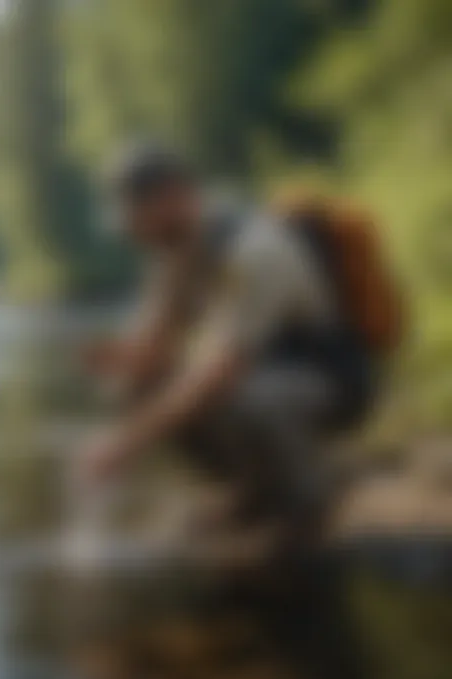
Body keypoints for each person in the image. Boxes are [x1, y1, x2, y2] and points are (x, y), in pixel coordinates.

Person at [72, 142, 397, 554]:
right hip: (262, 374)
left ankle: (309, 500)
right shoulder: (175, 250)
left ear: (171, 196)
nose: (132, 232)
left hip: (334, 380)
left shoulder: (253, 251)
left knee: (240, 399)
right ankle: (253, 491)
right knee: (139, 389)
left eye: (136, 217)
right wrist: (117, 361)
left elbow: (216, 372)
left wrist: (123, 445)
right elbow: (153, 350)